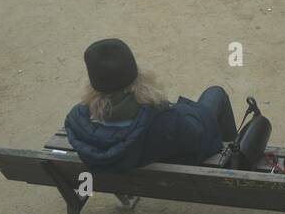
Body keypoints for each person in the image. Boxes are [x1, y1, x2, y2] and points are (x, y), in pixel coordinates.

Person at [64, 38, 236, 170]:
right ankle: (233, 153)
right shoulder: (164, 120)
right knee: (216, 93)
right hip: (168, 156)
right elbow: (199, 137)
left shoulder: (76, 121)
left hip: (128, 167)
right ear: (136, 76)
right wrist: (180, 110)